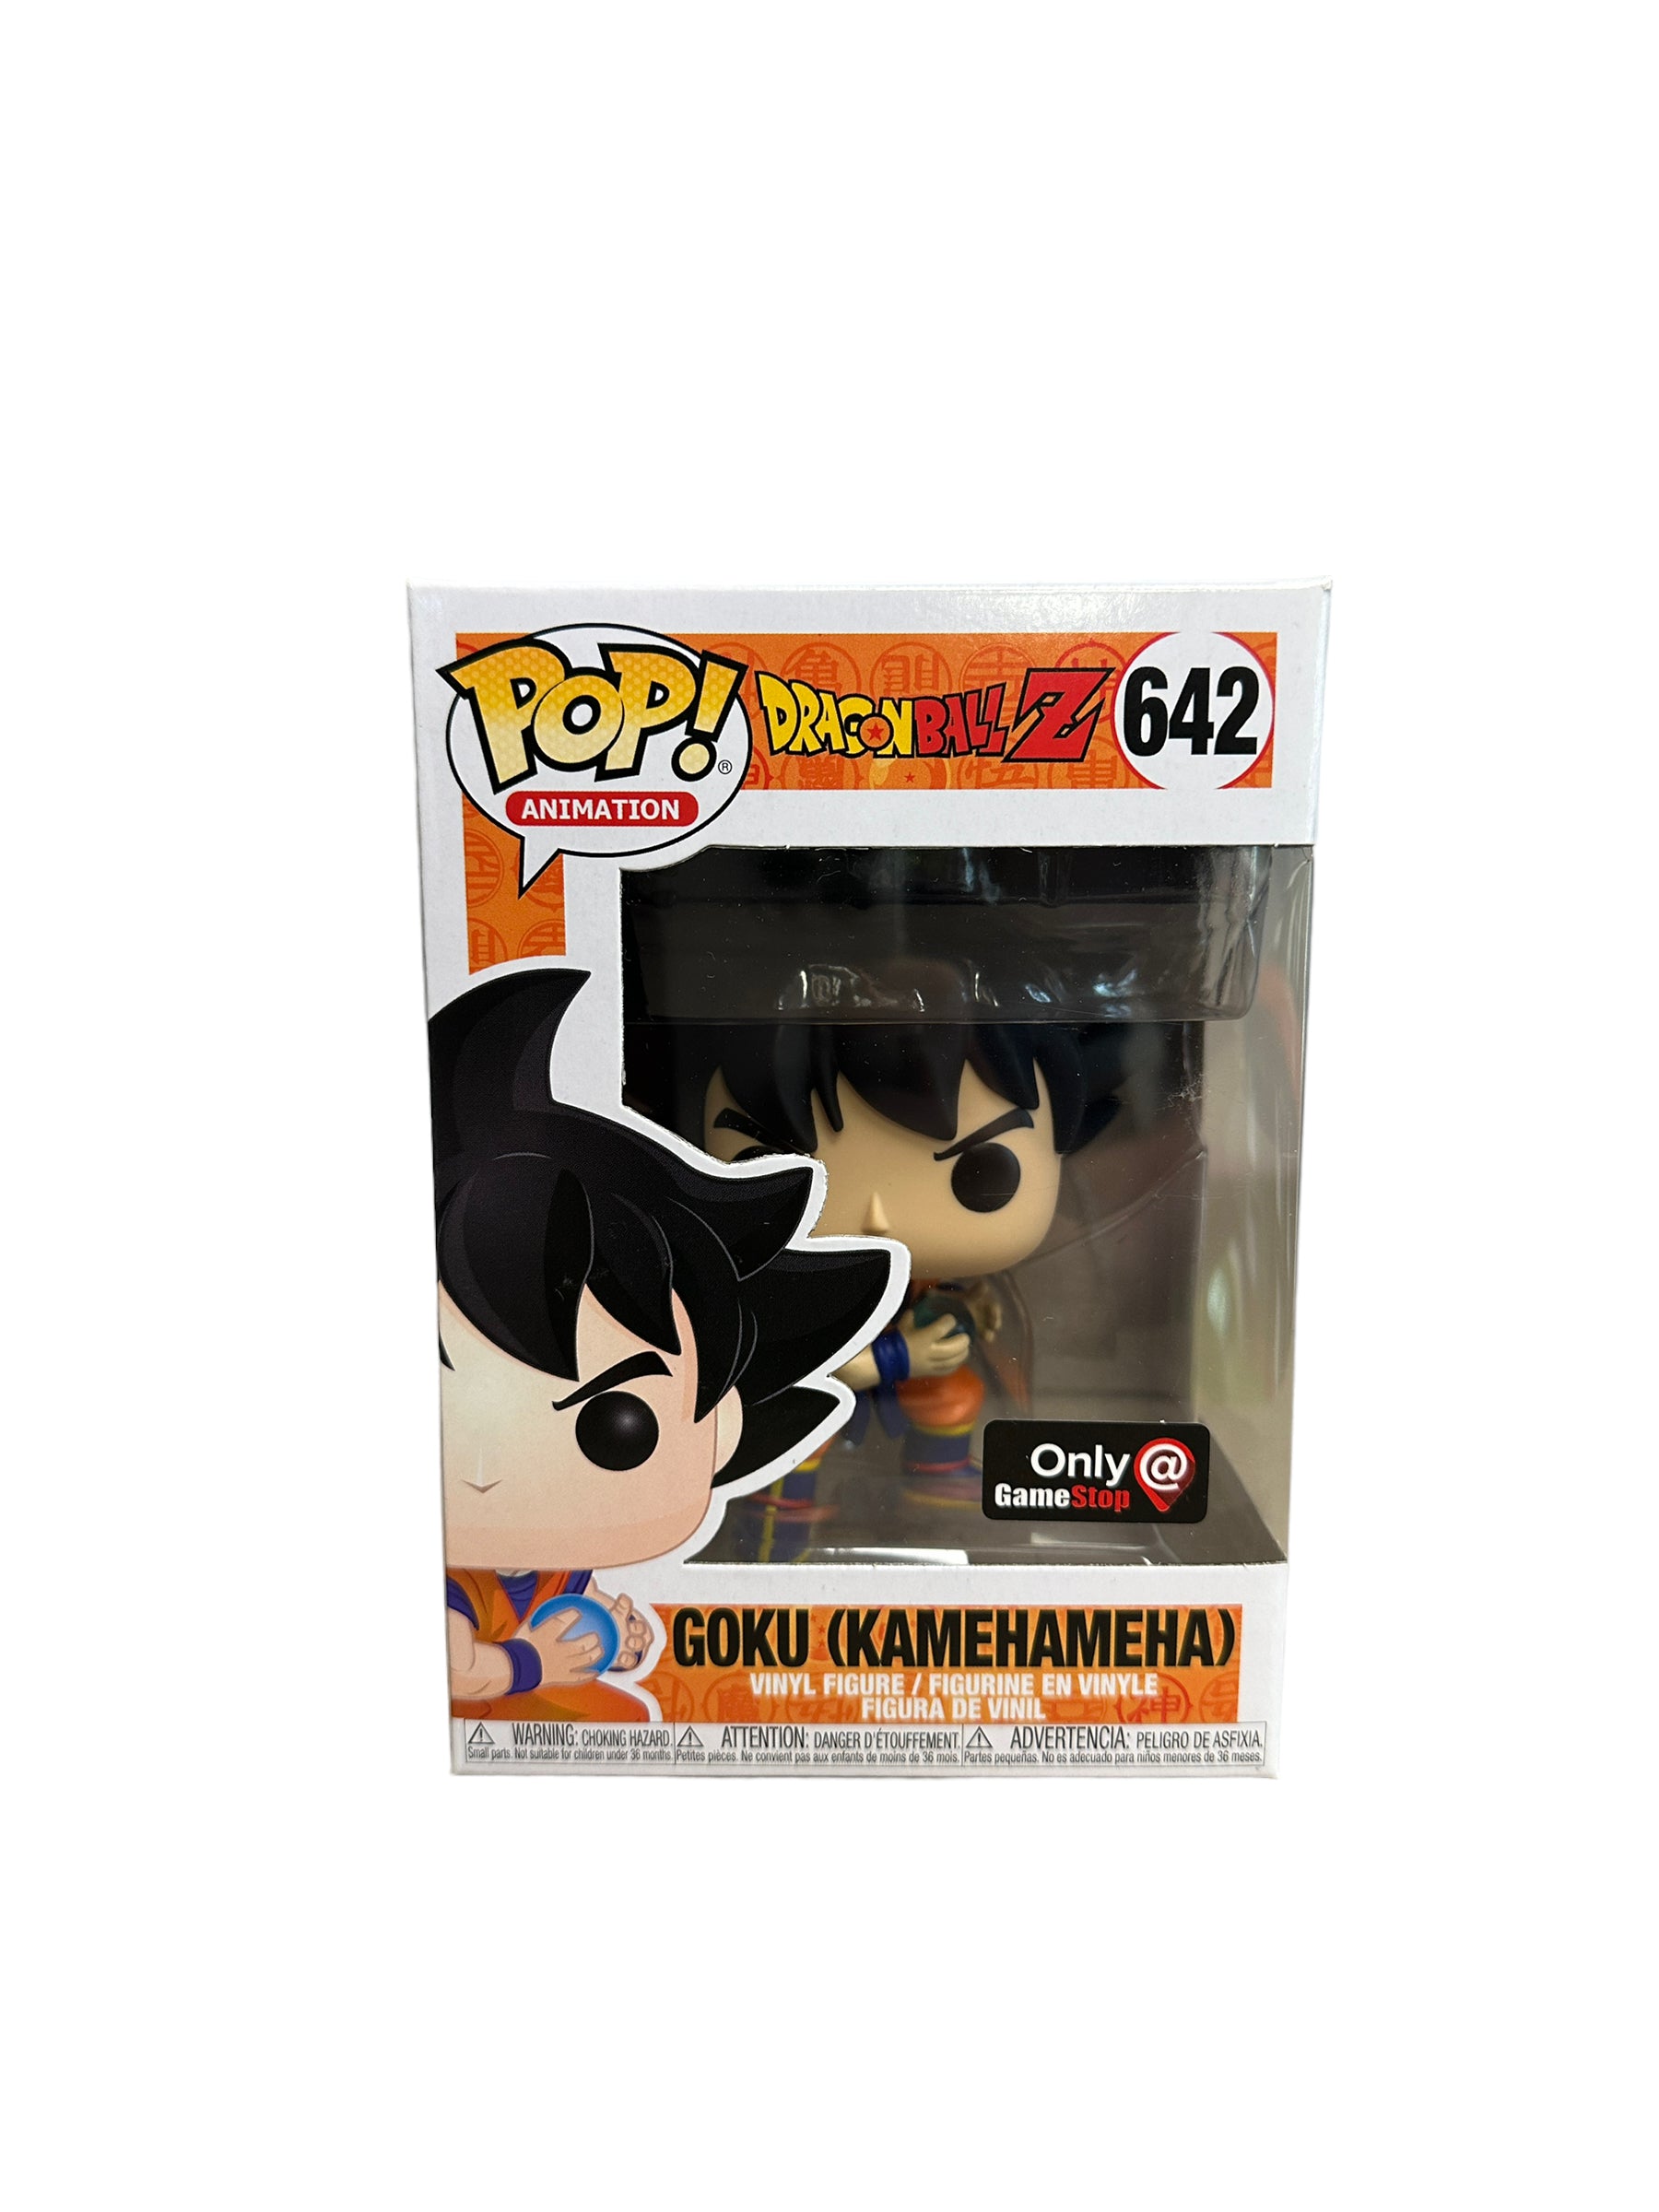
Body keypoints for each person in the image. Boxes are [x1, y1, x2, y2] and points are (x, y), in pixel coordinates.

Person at [430, 968, 897, 1719]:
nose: (482, 1474)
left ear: (723, 1425)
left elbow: (588, 1626)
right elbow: (455, 1669)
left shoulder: (561, 1562)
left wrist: (623, 1634)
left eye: (616, 1427)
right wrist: (533, 1660)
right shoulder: (460, 1577)